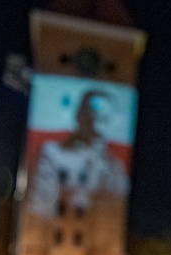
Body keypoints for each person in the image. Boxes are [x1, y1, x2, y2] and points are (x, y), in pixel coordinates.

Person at [29, 90, 130, 219]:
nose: (98, 121)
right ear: (80, 115)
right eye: (93, 114)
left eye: (105, 118)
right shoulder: (53, 153)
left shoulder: (114, 166)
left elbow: (119, 207)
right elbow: (40, 205)